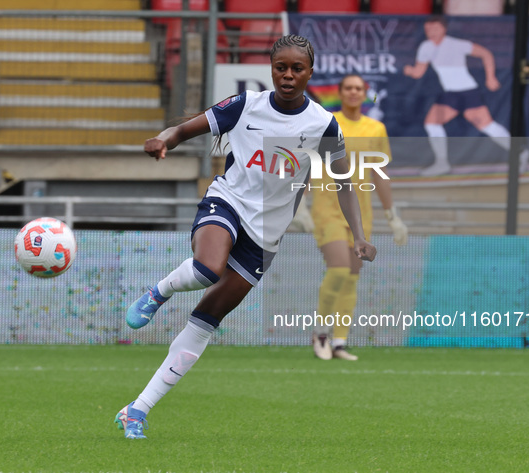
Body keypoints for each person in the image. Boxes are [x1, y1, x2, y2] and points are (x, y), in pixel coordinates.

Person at [113, 35, 377, 439]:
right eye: (280, 68)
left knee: (206, 321)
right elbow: (186, 129)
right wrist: (164, 139)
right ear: (271, 69)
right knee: (206, 268)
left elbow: (344, 182)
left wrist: (358, 234)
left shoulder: (323, 124)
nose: (288, 76)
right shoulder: (246, 105)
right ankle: (159, 291)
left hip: (266, 236)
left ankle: (137, 410)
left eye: (297, 69)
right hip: (228, 202)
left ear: (310, 73)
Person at [311, 75, 408, 361]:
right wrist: (301, 206)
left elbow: (379, 172)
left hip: (359, 215)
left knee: (352, 276)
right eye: (348, 88)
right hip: (328, 208)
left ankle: (339, 342)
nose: (354, 92)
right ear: (340, 93)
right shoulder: (328, 123)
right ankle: (320, 334)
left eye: (359, 88)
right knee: (339, 269)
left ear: (365, 94)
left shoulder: (375, 128)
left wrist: (392, 216)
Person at [403, 15, 529, 176]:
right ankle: (442, 163)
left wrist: (490, 77)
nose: (431, 32)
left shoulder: (457, 45)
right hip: (450, 94)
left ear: (443, 29)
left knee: (487, 126)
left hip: (468, 91)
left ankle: (520, 153)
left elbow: (485, 53)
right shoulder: (425, 47)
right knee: (432, 123)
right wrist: (410, 71)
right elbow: (419, 72)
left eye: (434, 28)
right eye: (428, 29)